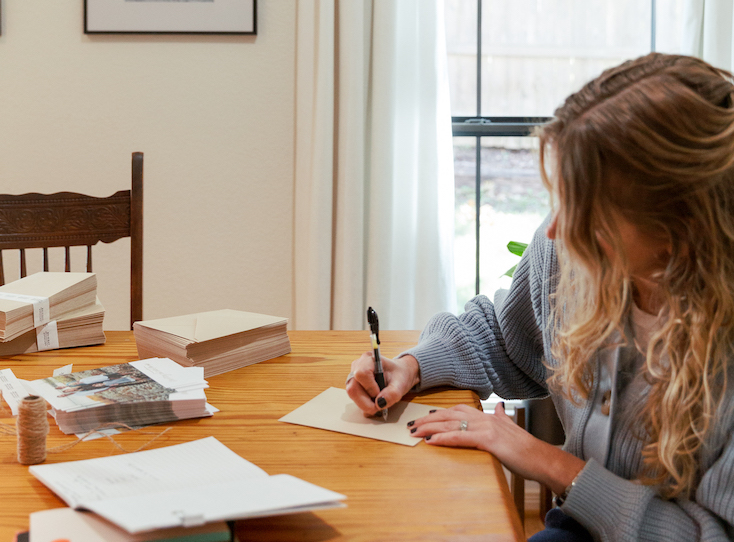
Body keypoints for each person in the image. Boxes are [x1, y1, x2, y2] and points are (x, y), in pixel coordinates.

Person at [346, 52, 734, 542]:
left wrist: (546, 460)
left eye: (590, 211)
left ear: (679, 230)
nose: (554, 229)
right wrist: (412, 366)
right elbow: (506, 341)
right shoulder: (566, 254)